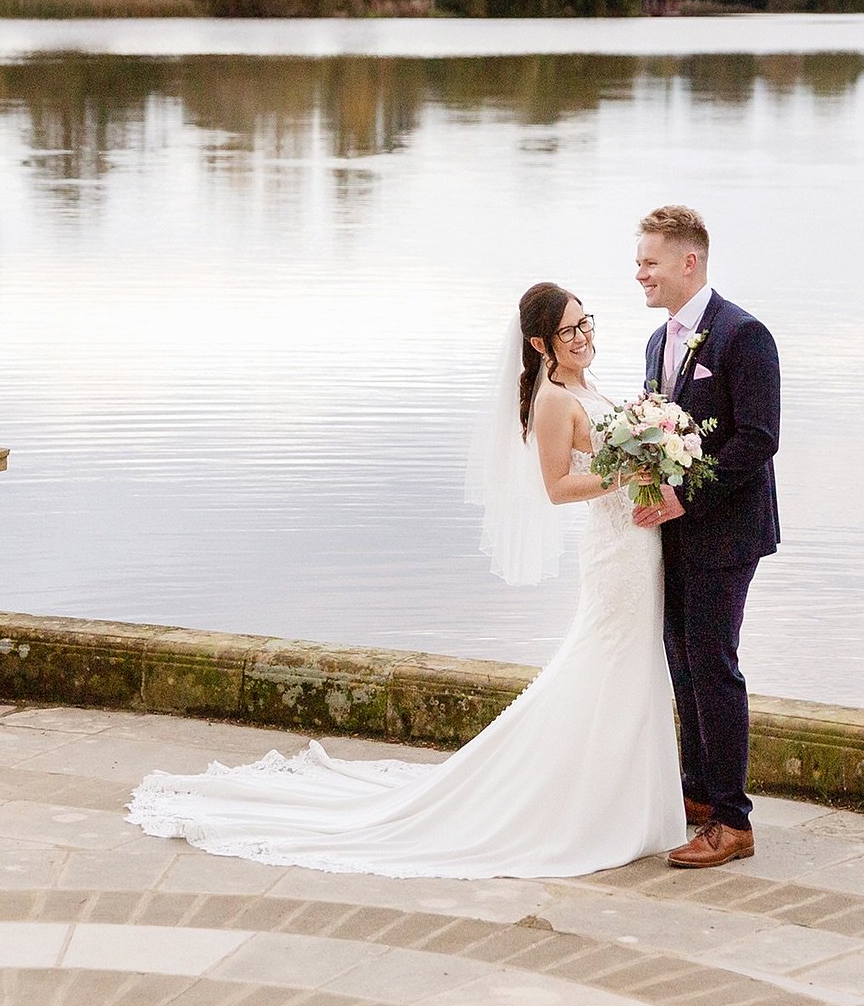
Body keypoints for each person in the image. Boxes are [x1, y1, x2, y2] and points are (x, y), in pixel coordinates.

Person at [126, 282, 685, 877]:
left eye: (585, 323)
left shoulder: (586, 386)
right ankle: (589, 805)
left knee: (631, 664)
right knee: (606, 660)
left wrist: (652, 457)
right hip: (613, 553)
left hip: (636, 544)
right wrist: (628, 474)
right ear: (540, 343)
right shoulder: (553, 400)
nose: (583, 337)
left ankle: (626, 800)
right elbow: (558, 488)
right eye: (569, 330)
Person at [633, 205, 781, 868]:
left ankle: (732, 820)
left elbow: (758, 438)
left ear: (688, 262)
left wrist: (684, 495)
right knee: (681, 660)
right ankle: (697, 793)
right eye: (639, 262)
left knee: (713, 664)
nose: (641, 273)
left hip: (727, 532)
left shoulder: (743, 336)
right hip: (671, 533)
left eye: (650, 262)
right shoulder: (657, 343)